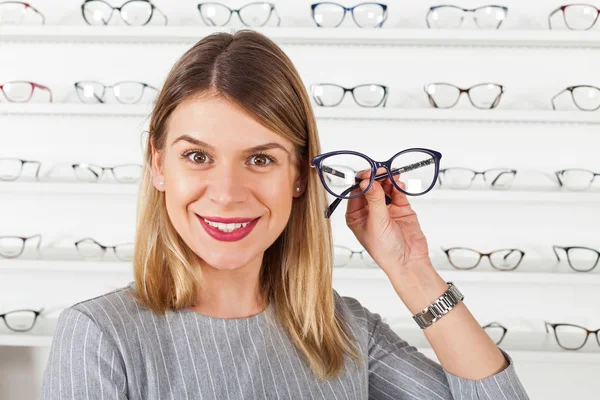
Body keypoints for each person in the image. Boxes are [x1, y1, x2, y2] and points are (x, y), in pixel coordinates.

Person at [40, 30, 529, 399]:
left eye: (260, 159)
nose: (228, 194)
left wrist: (412, 271)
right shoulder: (100, 336)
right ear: (158, 163)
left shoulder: (343, 331)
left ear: (299, 176)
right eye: (197, 156)